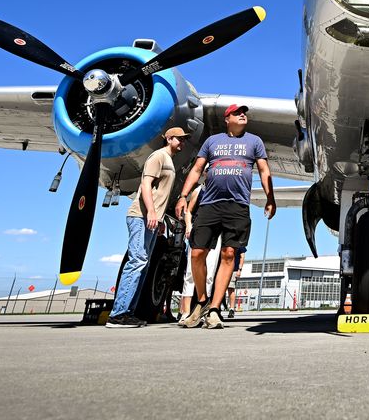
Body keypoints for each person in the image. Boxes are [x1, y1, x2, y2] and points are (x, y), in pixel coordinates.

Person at [174, 104, 276, 329]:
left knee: (229, 253)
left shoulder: (255, 142)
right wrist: (183, 196)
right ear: (226, 118)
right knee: (198, 253)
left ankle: (214, 309)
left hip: (238, 206)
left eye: (244, 113)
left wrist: (271, 198)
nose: (243, 115)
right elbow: (197, 169)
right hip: (210, 204)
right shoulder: (212, 141)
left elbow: (264, 171)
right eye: (237, 113)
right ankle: (202, 301)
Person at [107, 126, 183, 328]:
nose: (182, 142)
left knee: (145, 263)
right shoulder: (157, 157)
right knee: (137, 261)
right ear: (169, 139)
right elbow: (146, 185)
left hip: (151, 219)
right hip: (140, 216)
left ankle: (129, 312)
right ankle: (118, 313)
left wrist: (158, 219)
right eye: (179, 139)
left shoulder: (169, 161)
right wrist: (150, 211)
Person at [177, 184, 219, 326]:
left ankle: (203, 311)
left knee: (210, 272)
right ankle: (185, 312)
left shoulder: (220, 189)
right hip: (199, 230)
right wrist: (189, 226)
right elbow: (189, 211)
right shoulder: (198, 190)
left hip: (215, 233)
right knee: (190, 272)